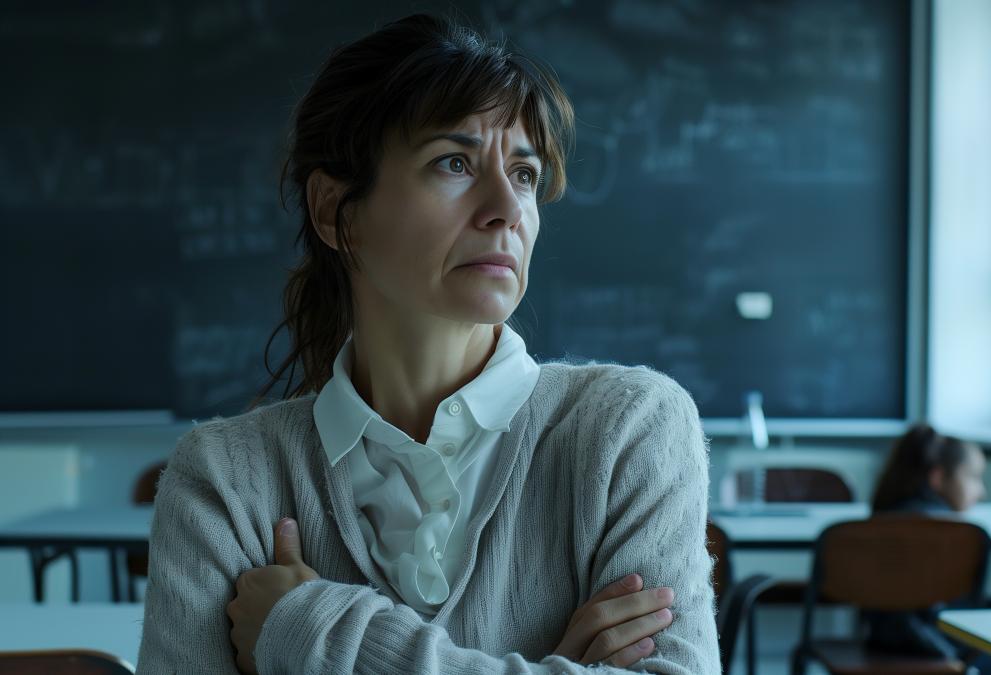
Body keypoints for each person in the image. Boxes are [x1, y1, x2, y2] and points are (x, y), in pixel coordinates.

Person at [136, 15, 720, 674]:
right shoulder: (224, 483)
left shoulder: (627, 431)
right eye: (454, 162)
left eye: (525, 174)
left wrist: (309, 631)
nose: (506, 207)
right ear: (335, 210)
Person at [865, 423, 991, 672]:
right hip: (932, 639)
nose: (981, 491)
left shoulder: (877, 522)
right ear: (938, 477)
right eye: (972, 477)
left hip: (882, 637)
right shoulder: (955, 533)